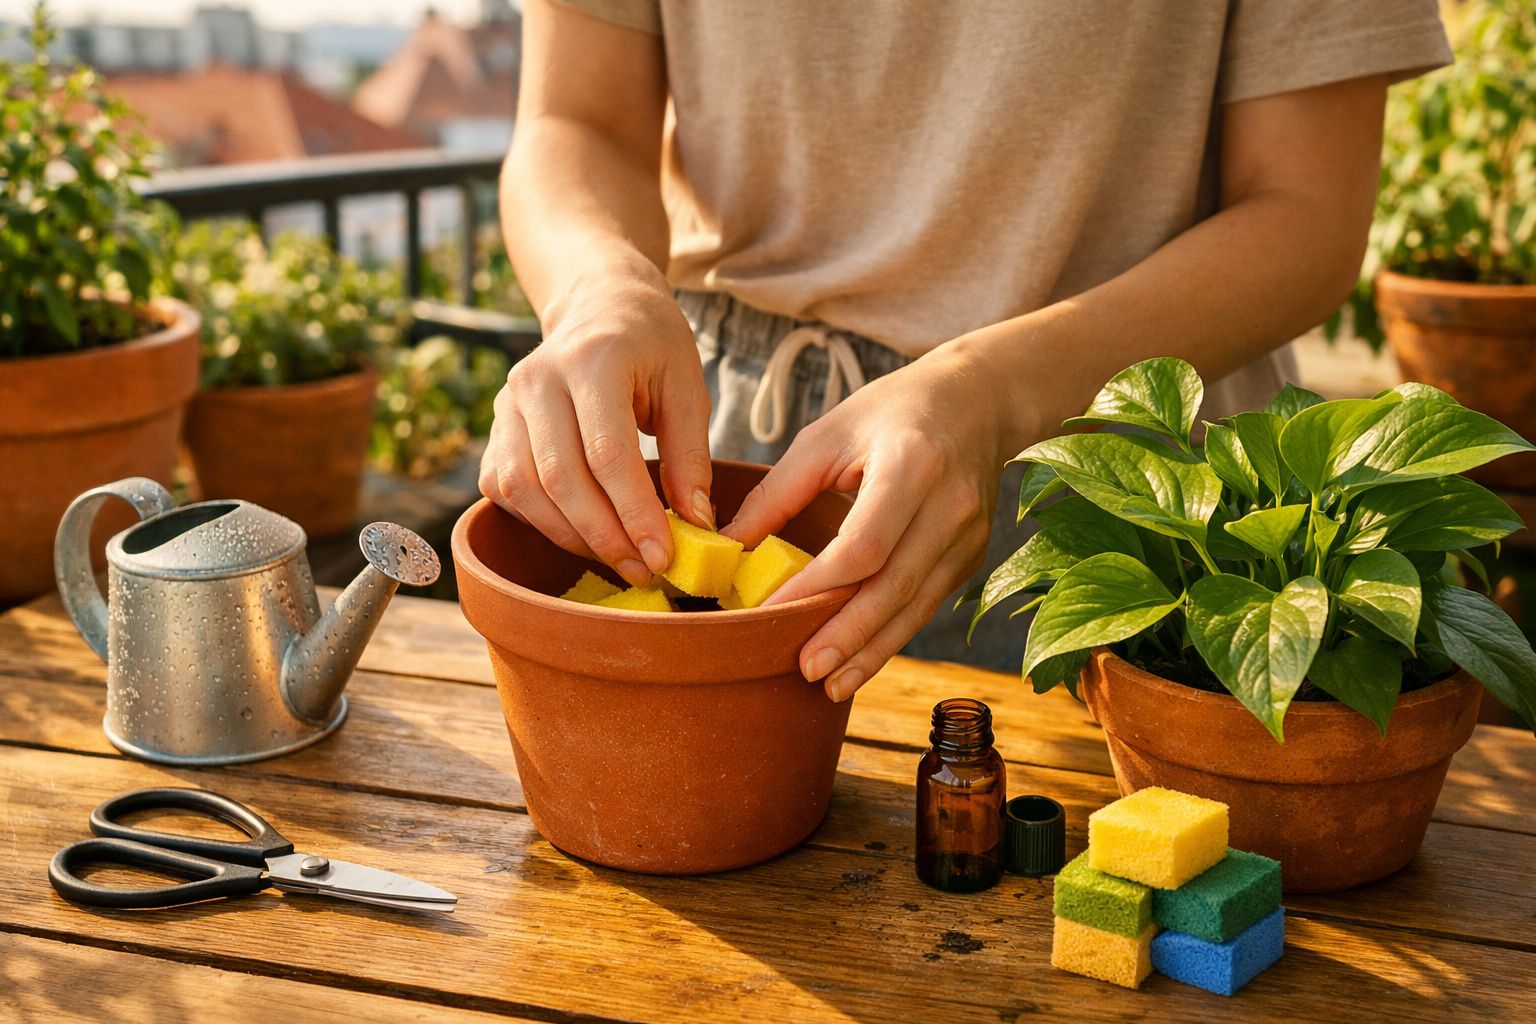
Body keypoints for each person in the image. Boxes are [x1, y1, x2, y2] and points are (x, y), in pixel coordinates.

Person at [481, 0, 1451, 701]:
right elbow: (577, 120)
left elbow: (1309, 214)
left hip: (1107, 478)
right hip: (732, 447)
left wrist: (991, 390)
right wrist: (599, 290)